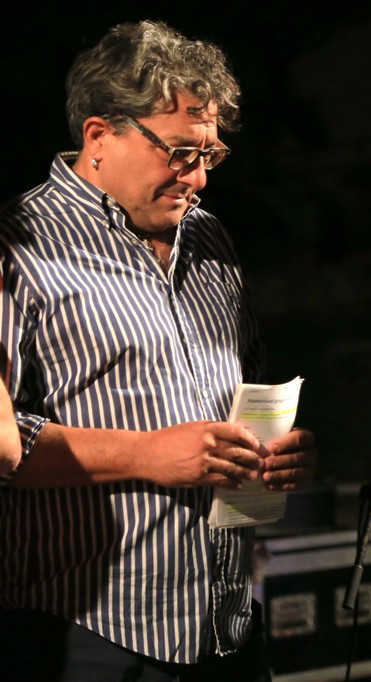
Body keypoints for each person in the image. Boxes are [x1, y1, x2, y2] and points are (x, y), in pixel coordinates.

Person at [0, 20, 317, 680]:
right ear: (99, 136)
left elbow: (243, 384)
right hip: (93, 630)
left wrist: (274, 449)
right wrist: (146, 453)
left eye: (209, 155)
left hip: (228, 624)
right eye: (179, 153)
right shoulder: (17, 244)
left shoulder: (209, 237)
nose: (198, 178)